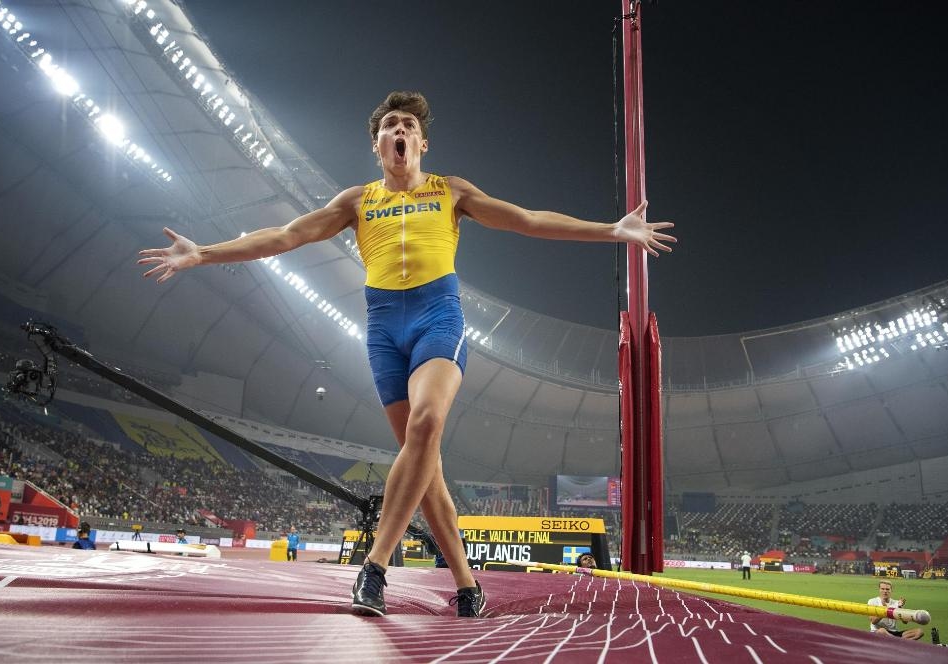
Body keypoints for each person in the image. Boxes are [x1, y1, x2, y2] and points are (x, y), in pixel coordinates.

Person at [138, 91, 676, 618]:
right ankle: (468, 585)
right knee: (426, 469)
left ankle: (373, 567)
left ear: (422, 143)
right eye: (390, 125)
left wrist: (611, 230)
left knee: (425, 426)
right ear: (377, 144)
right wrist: (204, 253)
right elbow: (284, 235)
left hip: (437, 317)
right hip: (381, 329)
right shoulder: (356, 201)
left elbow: (527, 219)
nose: (399, 131)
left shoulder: (451, 191)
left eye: (408, 127)